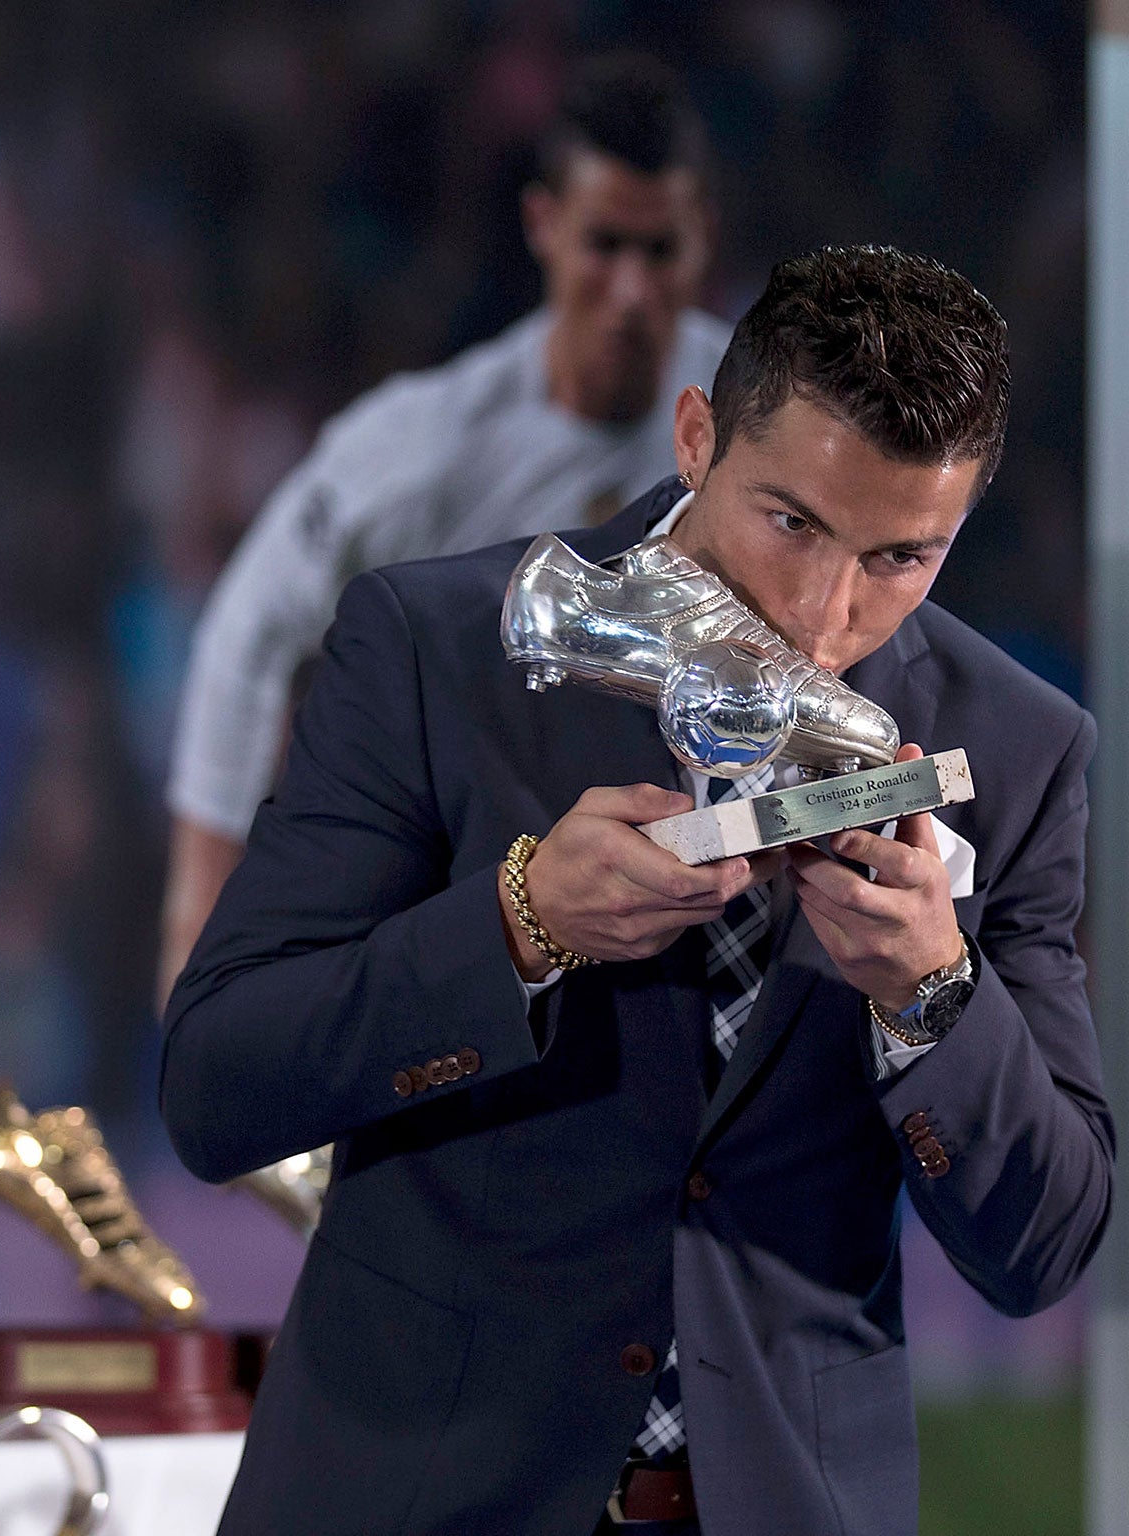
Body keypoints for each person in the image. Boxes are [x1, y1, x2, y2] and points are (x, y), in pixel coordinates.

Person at [161, 245, 1112, 1536]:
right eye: (793, 522)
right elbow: (218, 1082)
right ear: (695, 436)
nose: (827, 613)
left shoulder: (1012, 753)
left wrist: (935, 997)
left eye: (901, 557)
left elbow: (1044, 1247)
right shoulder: (438, 648)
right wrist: (518, 923)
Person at [159, 53, 730, 998]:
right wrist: (198, 915)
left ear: (701, 240)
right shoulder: (422, 449)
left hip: (697, 894)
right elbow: (246, 635)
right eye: (604, 246)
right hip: (472, 896)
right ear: (543, 225)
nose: (631, 289)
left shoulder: (758, 426)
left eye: (659, 251)